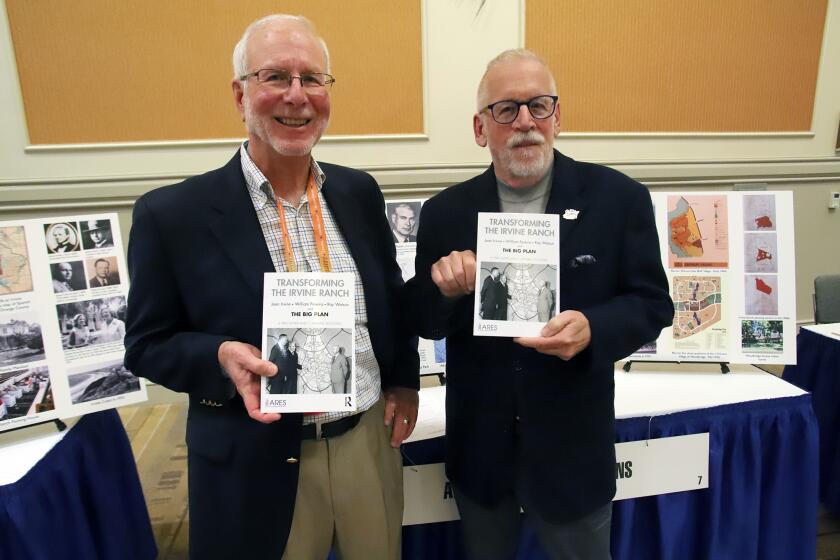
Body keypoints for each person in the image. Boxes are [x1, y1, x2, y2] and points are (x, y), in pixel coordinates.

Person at [124, 14, 419, 560]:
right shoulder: (173, 215)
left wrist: (404, 380)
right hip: (253, 457)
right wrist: (218, 355)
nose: (296, 95)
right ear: (240, 95)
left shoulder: (357, 193)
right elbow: (145, 344)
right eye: (275, 77)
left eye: (312, 79)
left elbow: (390, 298)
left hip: (364, 446)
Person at [405, 49, 673, 560]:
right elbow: (422, 320)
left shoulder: (618, 199)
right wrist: (441, 289)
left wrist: (593, 328)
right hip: (481, 452)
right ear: (481, 128)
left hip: (574, 452)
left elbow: (653, 305)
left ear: (558, 116)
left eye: (539, 106)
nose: (525, 121)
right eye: (506, 109)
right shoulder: (444, 213)